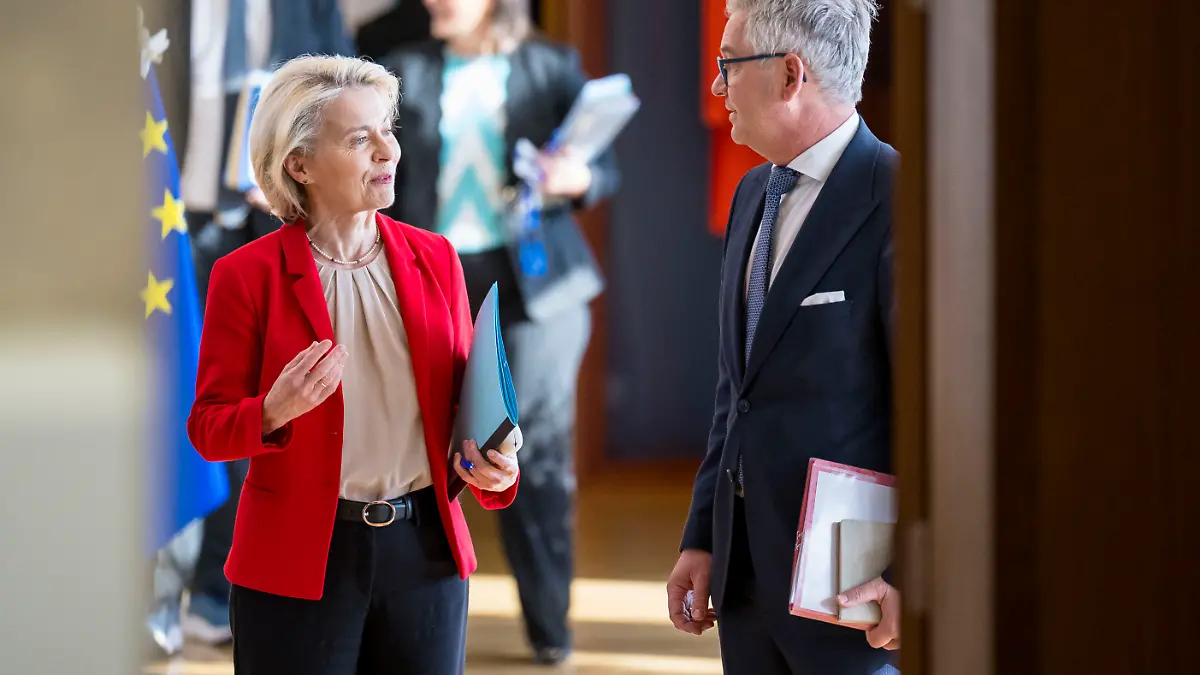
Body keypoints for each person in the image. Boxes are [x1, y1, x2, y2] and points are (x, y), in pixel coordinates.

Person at [187, 54, 520, 675]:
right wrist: (273, 410)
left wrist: (495, 465)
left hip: (425, 555)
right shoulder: (245, 276)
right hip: (296, 564)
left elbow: (467, 410)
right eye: (360, 138)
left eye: (387, 131)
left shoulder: (436, 258)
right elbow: (207, 428)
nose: (387, 152)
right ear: (300, 164)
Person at [379, 0, 621, 665]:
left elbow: (604, 169)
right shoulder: (401, 71)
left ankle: (550, 628)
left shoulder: (551, 65)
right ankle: (409, 623)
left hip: (535, 290)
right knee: (420, 451)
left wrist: (578, 179)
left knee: (530, 452)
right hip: (432, 282)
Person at [666, 1, 900, 674]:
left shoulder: (898, 197)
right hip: (743, 583)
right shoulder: (751, 194)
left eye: (728, 65)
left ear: (791, 74)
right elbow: (735, 392)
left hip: (853, 591)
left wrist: (912, 575)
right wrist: (703, 536)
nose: (717, 88)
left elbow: (935, 416)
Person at [178, 0, 357, 644]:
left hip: (264, 223)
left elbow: (341, 107)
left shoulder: (314, 7)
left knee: (252, 409)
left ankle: (210, 587)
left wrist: (296, 181)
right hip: (160, 223)